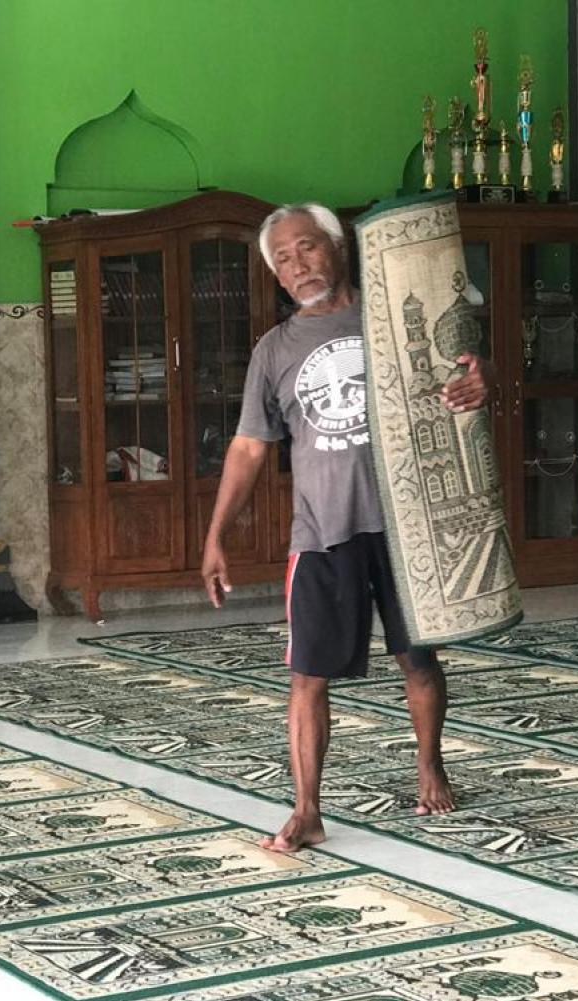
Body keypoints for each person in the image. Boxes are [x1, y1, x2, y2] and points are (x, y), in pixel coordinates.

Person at [200, 203, 492, 853]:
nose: (296, 265)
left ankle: (429, 764)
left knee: (418, 662)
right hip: (322, 532)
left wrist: (479, 384)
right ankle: (307, 809)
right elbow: (249, 447)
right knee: (307, 674)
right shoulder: (274, 351)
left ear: (337, 249)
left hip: (405, 523)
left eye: (306, 248)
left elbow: (466, 376)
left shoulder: (394, 319)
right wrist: (217, 533)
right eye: (282, 258)